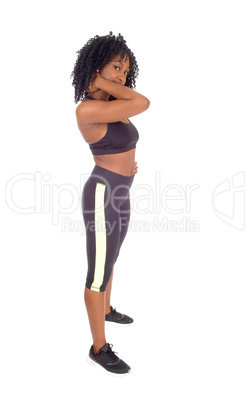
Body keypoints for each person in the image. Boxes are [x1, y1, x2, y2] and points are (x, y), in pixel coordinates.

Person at [70, 32, 150, 376]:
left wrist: (126, 165)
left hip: (121, 191)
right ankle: (98, 349)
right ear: (96, 66)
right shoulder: (88, 108)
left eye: (125, 69)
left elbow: (123, 134)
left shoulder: (111, 105)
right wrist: (102, 81)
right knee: (98, 273)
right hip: (103, 193)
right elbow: (141, 102)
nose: (121, 75)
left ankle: (105, 311)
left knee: (112, 256)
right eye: (115, 66)